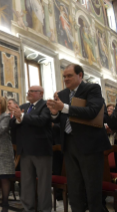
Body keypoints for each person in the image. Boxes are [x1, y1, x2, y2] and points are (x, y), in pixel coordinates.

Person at [47, 64, 111, 212]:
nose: (66, 79)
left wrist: (64, 108)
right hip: (69, 145)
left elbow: (93, 112)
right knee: (74, 189)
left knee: (92, 189)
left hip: (90, 146)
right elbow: (60, 119)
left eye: (69, 75)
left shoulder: (92, 89)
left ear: (80, 75)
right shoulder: (62, 94)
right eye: (64, 76)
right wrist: (54, 113)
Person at [10, 86, 53, 212]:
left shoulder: (46, 105)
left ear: (41, 93)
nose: (28, 93)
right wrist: (18, 119)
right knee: (27, 182)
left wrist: (22, 117)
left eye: (32, 91)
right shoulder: (23, 106)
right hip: (25, 150)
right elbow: (12, 124)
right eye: (28, 91)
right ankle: (28, 207)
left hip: (41, 150)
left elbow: (42, 120)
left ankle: (44, 209)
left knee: (44, 184)